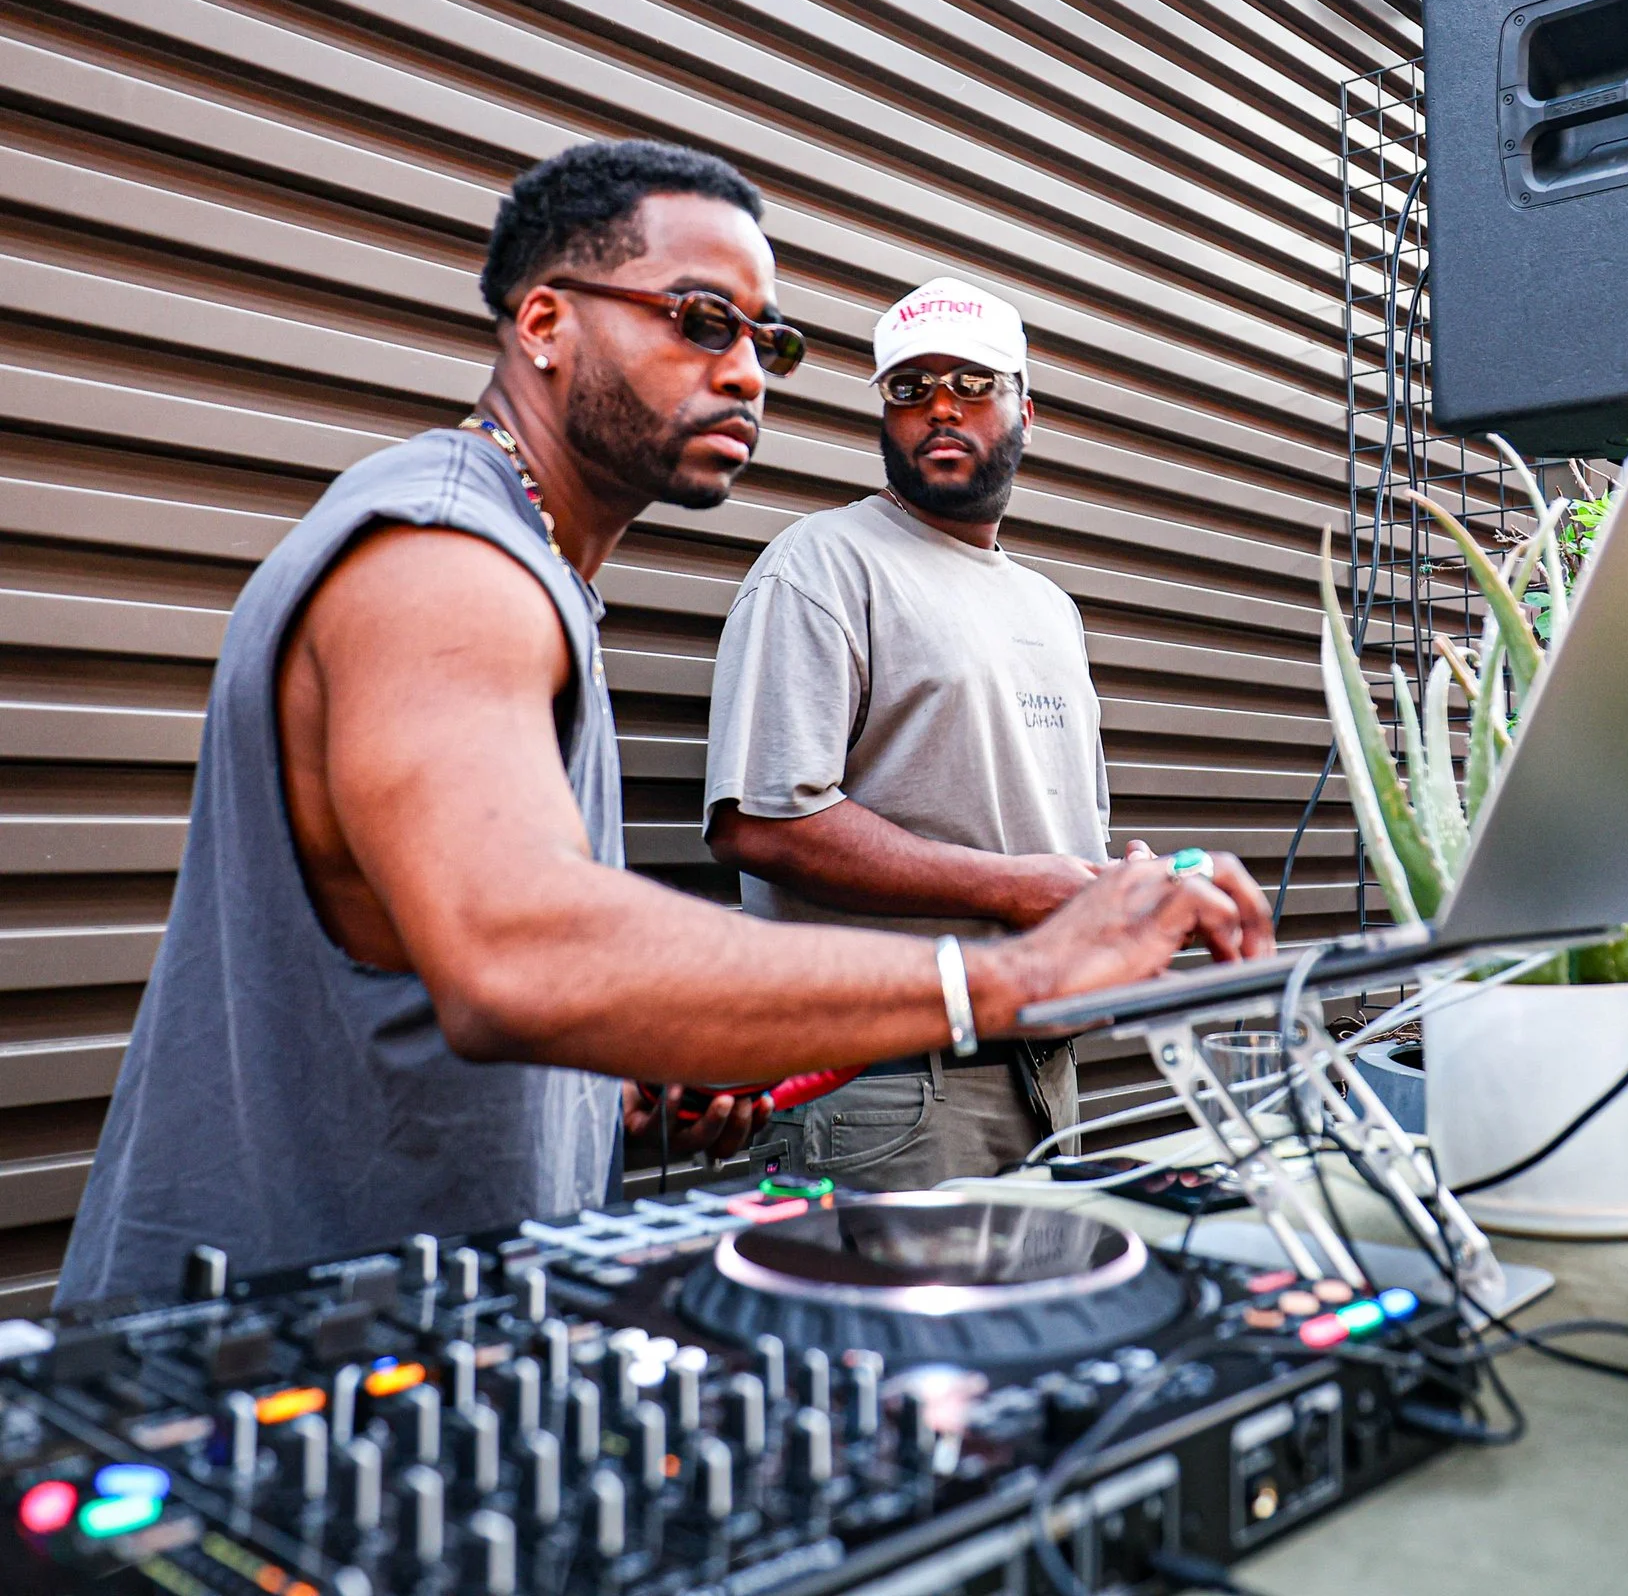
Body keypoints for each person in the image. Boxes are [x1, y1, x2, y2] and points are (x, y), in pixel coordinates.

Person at [56, 142, 1270, 1307]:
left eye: (764, 339)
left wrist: (614, 1080)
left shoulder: (531, 570)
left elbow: (440, 956)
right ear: (543, 323)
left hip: (435, 1309)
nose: (745, 371)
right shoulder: (441, 559)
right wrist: (1011, 970)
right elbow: (517, 951)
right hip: (270, 1347)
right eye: (699, 319)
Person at [704, 279, 1125, 1189]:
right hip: (884, 1090)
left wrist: (1113, 892)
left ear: (1026, 408)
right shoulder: (819, 565)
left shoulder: (1051, 608)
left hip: (1047, 1080)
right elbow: (760, 822)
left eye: (973, 383)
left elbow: (1044, 841)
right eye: (909, 388)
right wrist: (1016, 888)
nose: (940, 406)